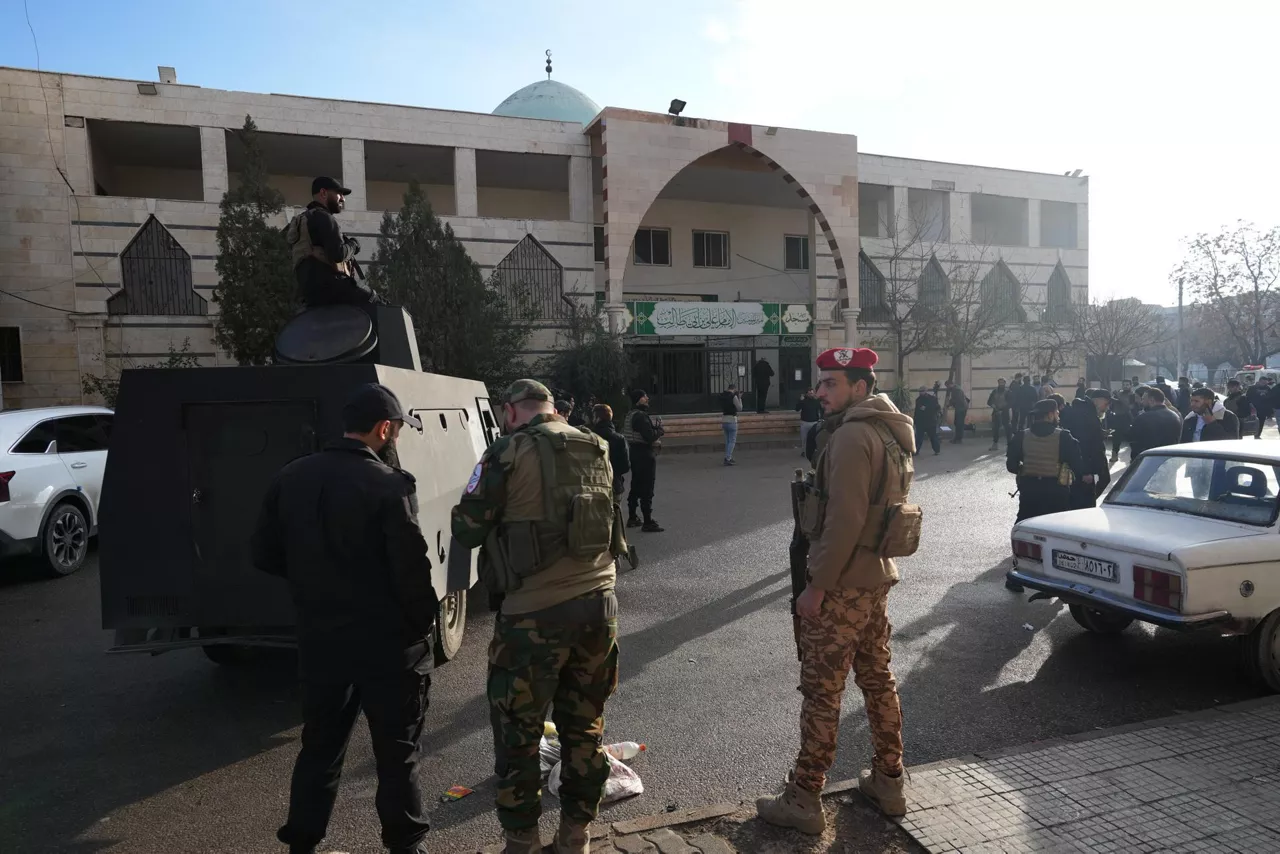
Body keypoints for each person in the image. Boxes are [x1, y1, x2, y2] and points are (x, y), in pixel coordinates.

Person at [251, 383, 435, 854]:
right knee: (397, 753)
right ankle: (405, 847)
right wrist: (422, 629)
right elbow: (412, 572)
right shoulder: (390, 485)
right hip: (387, 645)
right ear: (384, 429)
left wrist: (314, 582)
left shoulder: (291, 475)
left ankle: (302, 843)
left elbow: (264, 554)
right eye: (397, 430)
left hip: (321, 640)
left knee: (320, 748)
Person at [450, 379, 620, 854]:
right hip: (599, 607)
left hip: (533, 616)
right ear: (551, 408)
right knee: (584, 727)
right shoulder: (597, 445)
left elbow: (467, 529)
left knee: (518, 734)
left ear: (510, 411)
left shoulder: (506, 452)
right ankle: (576, 837)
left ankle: (521, 841)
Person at [757, 347, 914, 833]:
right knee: (878, 680)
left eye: (831, 384)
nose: (820, 391)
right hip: (874, 577)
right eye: (821, 382)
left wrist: (816, 588)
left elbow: (844, 521)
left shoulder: (851, 436)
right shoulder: (889, 430)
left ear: (859, 387)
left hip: (843, 584)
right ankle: (889, 781)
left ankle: (804, 798)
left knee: (822, 693)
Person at [285, 177, 377, 307]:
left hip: (308, 292)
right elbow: (338, 254)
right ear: (323, 193)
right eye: (339, 193)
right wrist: (354, 244)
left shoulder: (302, 221)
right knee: (375, 300)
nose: (343, 199)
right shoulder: (324, 217)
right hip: (330, 286)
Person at [1059, 389, 1112, 509]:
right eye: (1106, 404)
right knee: (1083, 500)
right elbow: (1082, 444)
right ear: (1098, 401)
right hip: (1084, 468)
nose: (1107, 408)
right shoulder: (1086, 415)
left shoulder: (1086, 412)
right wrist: (1085, 471)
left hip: (1084, 466)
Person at [624, 389, 665, 532]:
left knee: (636, 484)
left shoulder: (631, 414)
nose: (647, 398)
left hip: (634, 453)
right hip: (644, 454)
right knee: (647, 487)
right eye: (644, 396)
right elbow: (649, 436)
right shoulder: (640, 416)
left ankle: (632, 516)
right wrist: (660, 430)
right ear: (638, 400)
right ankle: (647, 521)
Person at [1129, 386, 1183, 461]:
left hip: (1150, 460)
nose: (1142, 402)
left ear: (1152, 400)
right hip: (1170, 460)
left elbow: (1135, 443)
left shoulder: (1143, 418)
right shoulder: (1175, 415)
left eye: (1143, 399)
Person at [590, 404, 630, 499]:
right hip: (614, 483)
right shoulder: (619, 439)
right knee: (615, 506)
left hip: (593, 485)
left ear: (597, 418)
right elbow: (625, 466)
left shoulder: (589, 437)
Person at [1108, 383, 1134, 464]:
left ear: (1131, 386)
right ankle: (1114, 455)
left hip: (1127, 418)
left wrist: (1118, 396)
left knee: (1131, 438)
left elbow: (1128, 406)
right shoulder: (1119, 393)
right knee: (1116, 437)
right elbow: (1112, 405)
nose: (1125, 386)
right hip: (1117, 417)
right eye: (1124, 385)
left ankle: (1134, 457)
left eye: (1127, 385)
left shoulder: (1132, 395)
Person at [912, 385, 942, 456]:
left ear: (926, 391)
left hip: (930, 421)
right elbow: (917, 411)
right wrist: (915, 420)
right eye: (920, 391)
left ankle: (937, 450)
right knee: (918, 438)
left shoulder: (932, 399)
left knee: (933, 437)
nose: (921, 392)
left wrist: (927, 408)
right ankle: (916, 451)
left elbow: (937, 408)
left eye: (922, 391)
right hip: (921, 422)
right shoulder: (918, 400)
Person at [796, 387, 824, 458]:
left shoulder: (816, 401)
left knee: (815, 438)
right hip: (804, 422)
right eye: (809, 393)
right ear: (807, 394)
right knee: (804, 438)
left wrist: (821, 418)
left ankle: (814, 451)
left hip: (814, 422)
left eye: (812, 393)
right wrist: (800, 400)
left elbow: (821, 410)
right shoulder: (803, 401)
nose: (811, 394)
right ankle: (804, 451)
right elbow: (797, 409)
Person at [720, 384, 744, 466]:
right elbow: (740, 408)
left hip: (724, 420)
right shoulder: (733, 397)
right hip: (732, 420)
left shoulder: (722, 396)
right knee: (732, 441)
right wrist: (739, 398)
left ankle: (728, 456)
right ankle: (728, 458)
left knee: (727, 441)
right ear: (734, 389)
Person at [987, 378, 1012, 450]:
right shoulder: (994, 391)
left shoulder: (1008, 392)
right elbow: (989, 401)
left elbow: (1010, 403)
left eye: (1002, 382)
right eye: (1000, 382)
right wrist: (993, 405)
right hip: (996, 412)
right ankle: (995, 444)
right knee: (995, 429)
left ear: (1004, 383)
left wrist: (1004, 409)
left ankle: (1010, 444)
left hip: (1005, 413)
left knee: (1007, 428)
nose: (1001, 384)